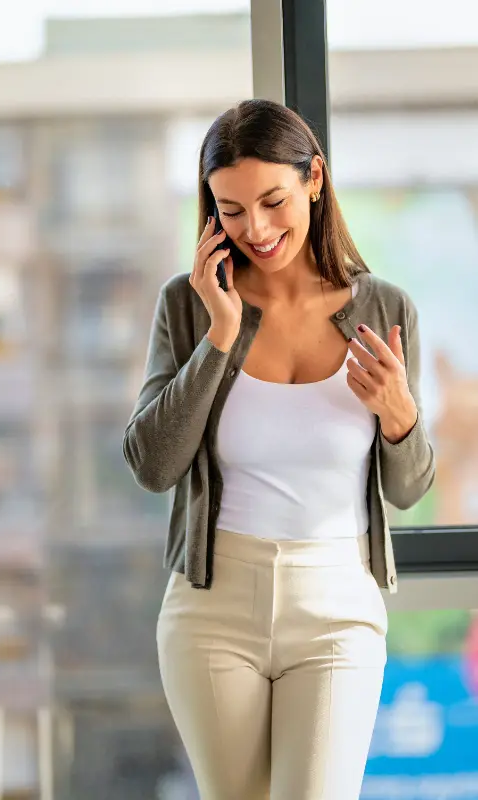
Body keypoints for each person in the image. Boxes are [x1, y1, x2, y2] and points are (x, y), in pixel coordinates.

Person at [123, 99, 435, 800]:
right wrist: (220, 334)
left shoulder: (385, 309)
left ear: (314, 180)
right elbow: (153, 463)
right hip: (212, 608)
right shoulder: (188, 303)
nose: (255, 229)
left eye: (272, 200)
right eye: (230, 210)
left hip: (337, 607)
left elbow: (409, 489)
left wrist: (399, 416)